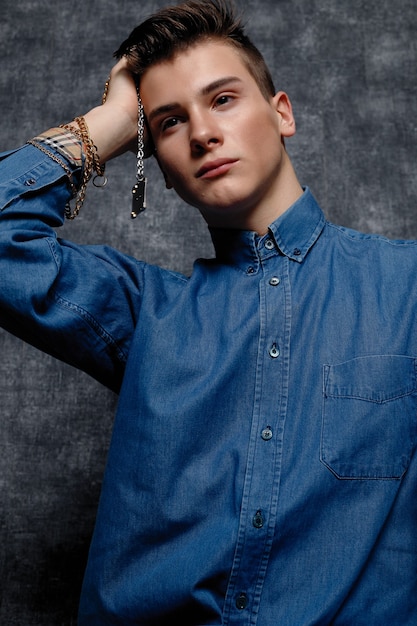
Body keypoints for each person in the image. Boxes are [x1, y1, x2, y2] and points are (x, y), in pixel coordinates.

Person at [0, 0, 416, 624]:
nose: (201, 133)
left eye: (222, 99)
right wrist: (113, 121)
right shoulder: (144, 315)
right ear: (161, 169)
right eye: (168, 123)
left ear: (282, 114)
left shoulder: (406, 287)